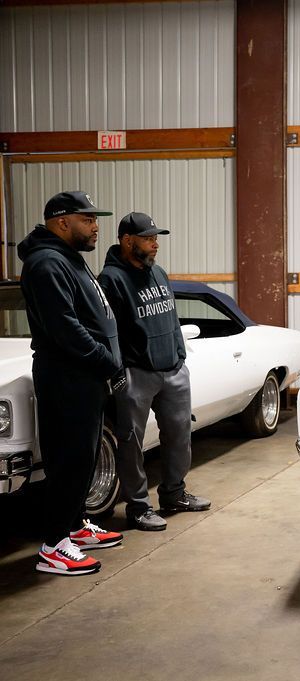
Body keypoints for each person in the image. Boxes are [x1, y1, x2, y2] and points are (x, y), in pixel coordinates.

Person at [19, 191, 126, 576]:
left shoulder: (69, 259)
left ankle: (75, 526)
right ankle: (53, 546)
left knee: (85, 457)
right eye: (88, 219)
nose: (96, 226)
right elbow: (65, 328)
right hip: (68, 377)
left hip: (87, 376)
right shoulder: (46, 264)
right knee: (69, 460)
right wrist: (105, 361)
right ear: (62, 222)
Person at [99, 212, 211, 531]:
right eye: (148, 239)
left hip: (172, 369)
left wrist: (179, 356)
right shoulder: (110, 280)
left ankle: (174, 493)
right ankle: (137, 507)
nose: (155, 244)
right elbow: (109, 331)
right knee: (131, 441)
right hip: (136, 373)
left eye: (156, 238)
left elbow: (170, 319)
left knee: (179, 433)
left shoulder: (158, 273)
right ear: (127, 240)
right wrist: (119, 371)